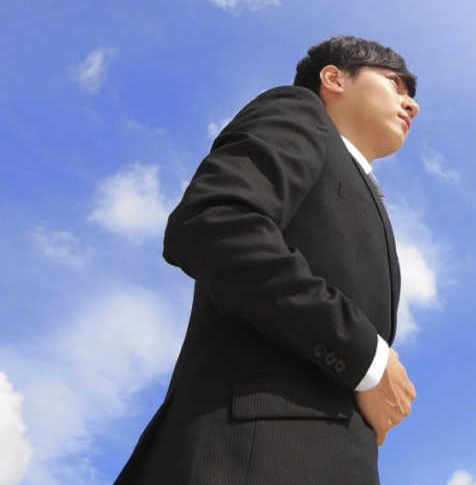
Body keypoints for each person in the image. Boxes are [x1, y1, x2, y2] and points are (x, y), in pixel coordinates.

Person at [115, 36, 420, 484]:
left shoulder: (362, 187)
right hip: (254, 456)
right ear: (334, 77)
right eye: (395, 83)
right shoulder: (298, 113)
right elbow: (219, 220)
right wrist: (368, 358)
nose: (410, 105)